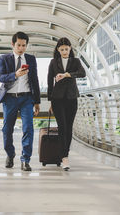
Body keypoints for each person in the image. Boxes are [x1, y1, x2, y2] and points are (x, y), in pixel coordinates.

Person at [0, 32, 40, 171]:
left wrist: (37, 101)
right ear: (12, 44)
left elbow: (35, 80)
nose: (21, 48)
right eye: (18, 45)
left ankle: (25, 160)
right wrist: (15, 74)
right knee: (6, 129)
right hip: (9, 98)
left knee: (28, 128)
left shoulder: (31, 59)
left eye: (24, 45)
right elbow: (1, 77)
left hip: (27, 98)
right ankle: (10, 154)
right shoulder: (4, 58)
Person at [47, 37, 85, 171]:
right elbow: (49, 82)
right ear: (58, 50)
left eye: (66, 49)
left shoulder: (75, 61)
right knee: (62, 127)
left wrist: (67, 74)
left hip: (71, 98)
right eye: (62, 49)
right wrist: (50, 102)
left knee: (69, 128)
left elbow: (82, 73)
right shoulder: (53, 62)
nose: (64, 51)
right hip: (57, 99)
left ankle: (64, 154)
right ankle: (64, 157)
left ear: (70, 49)